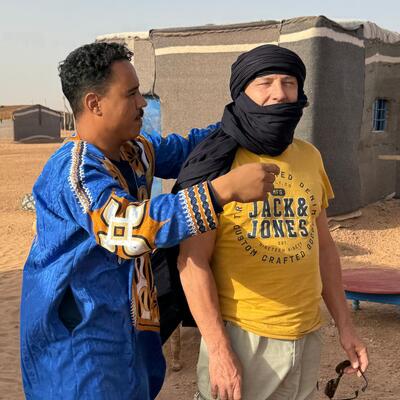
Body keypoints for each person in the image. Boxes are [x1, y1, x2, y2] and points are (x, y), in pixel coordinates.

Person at [19, 42, 280, 400]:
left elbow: (191, 148)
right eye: (131, 94)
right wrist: (220, 192)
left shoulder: (134, 151)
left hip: (125, 328)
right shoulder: (74, 171)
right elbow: (126, 228)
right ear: (95, 103)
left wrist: (247, 116)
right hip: (79, 345)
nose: (142, 102)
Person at [176, 44, 369, 400]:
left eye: (289, 83)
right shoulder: (217, 163)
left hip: (307, 332)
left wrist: (346, 327)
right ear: (241, 93)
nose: (279, 93)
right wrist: (219, 350)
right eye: (265, 83)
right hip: (243, 336)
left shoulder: (310, 157)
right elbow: (192, 261)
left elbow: (324, 247)